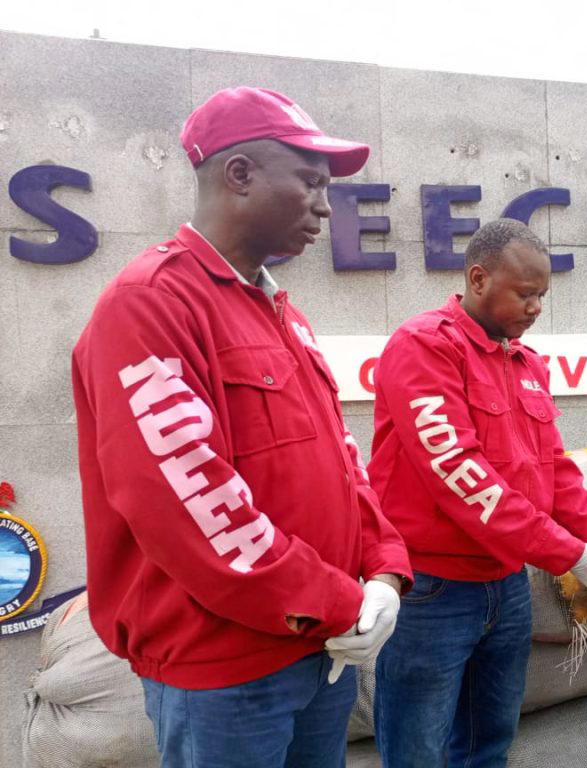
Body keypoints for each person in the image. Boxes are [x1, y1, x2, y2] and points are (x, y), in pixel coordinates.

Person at [72, 86, 412, 768]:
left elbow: (344, 463)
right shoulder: (150, 306)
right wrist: (339, 600)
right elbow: (190, 504)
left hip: (321, 650)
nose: (325, 204)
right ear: (239, 175)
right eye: (312, 182)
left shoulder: (281, 311)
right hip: (226, 671)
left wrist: (386, 570)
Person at [368, 218, 587, 767]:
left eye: (542, 295)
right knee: (417, 752)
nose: (536, 308)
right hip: (432, 591)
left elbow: (556, 476)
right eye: (525, 294)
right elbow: (460, 475)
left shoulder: (527, 364)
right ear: (479, 278)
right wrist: (572, 555)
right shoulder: (424, 347)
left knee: (488, 745)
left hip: (507, 586)